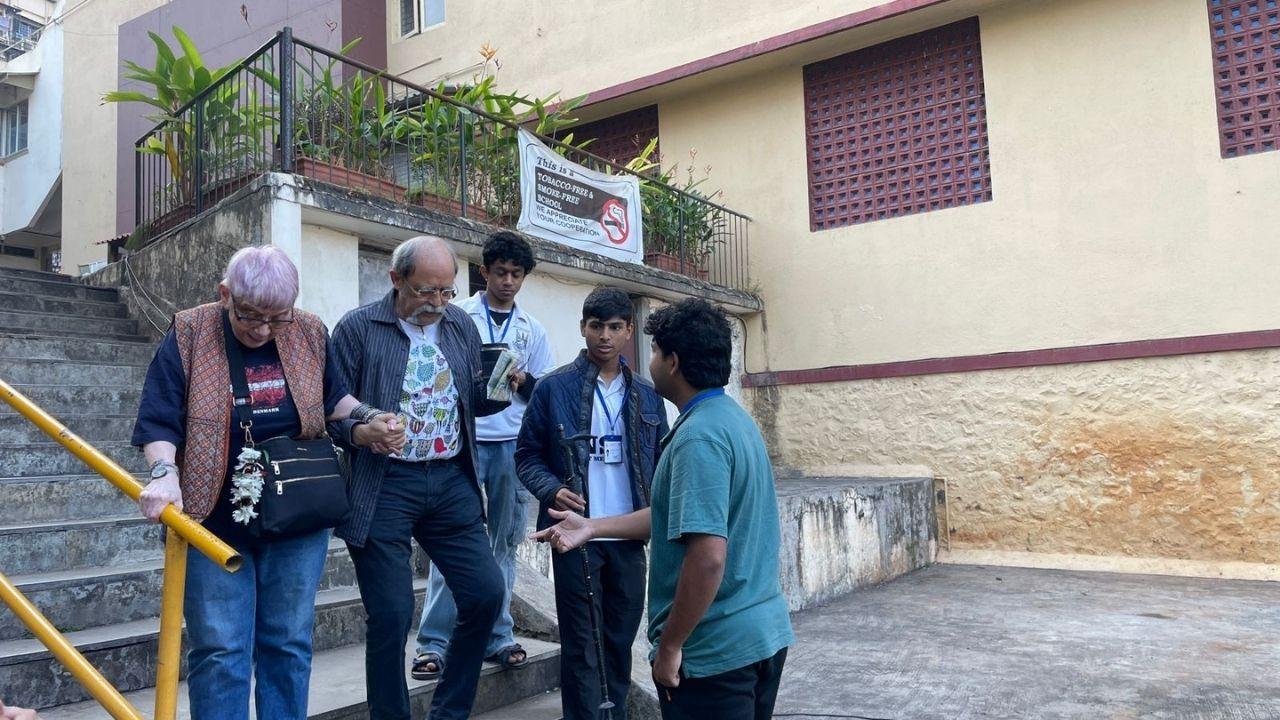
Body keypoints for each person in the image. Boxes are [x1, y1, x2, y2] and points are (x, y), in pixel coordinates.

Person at [132, 246, 404, 720]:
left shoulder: (309, 330)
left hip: (297, 514)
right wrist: (164, 474)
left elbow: (334, 398)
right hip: (210, 518)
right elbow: (159, 418)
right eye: (250, 316)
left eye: (277, 318)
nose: (262, 330)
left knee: (289, 643)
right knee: (221, 650)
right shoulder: (190, 331)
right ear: (225, 294)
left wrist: (369, 416)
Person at [533, 298, 795, 720]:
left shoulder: (698, 438)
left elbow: (708, 558)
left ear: (672, 363)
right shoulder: (731, 418)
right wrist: (592, 527)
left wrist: (671, 646)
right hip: (759, 636)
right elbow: (674, 514)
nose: (649, 361)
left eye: (654, 351)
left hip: (714, 652)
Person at [329, 235, 508, 720]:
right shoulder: (358, 328)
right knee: (390, 615)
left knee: (486, 595)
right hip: (383, 484)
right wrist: (362, 432)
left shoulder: (460, 325)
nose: (437, 303)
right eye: (426, 291)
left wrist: (499, 386)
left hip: (451, 479)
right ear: (396, 279)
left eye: (447, 291)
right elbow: (328, 409)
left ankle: (449, 712)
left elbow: (469, 399)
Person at [516, 286, 668, 719]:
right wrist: (550, 488)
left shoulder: (647, 394)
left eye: (615, 327)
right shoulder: (553, 388)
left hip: (629, 534)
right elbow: (526, 456)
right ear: (583, 327)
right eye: (597, 326)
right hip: (575, 537)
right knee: (582, 644)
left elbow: (663, 462)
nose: (605, 336)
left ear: (629, 331)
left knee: (619, 641)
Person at [413, 231, 557, 679]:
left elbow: (545, 393)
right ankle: (434, 642)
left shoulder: (532, 329)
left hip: (513, 446)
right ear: (484, 272)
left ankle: (499, 635)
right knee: (451, 541)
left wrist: (524, 381)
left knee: (504, 545)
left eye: (516, 274)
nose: (508, 281)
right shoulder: (458, 317)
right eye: (500, 273)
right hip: (463, 443)